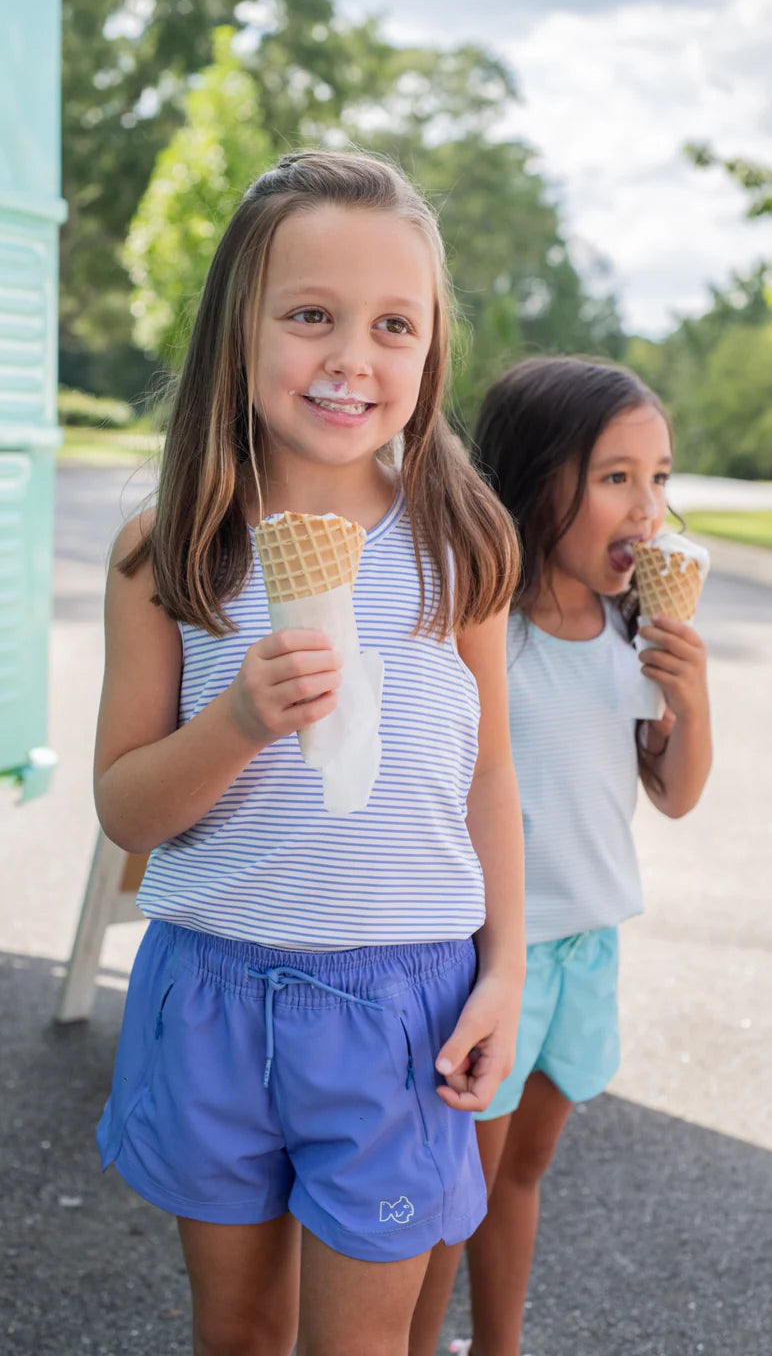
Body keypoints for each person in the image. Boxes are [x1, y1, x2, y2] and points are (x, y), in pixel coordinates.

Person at [93, 149, 526, 1356]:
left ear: (432, 350)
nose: (352, 357)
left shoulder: (463, 544)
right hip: (212, 992)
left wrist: (505, 971)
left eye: (394, 324)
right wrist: (237, 721)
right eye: (310, 316)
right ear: (241, 328)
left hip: (401, 1004)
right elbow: (127, 811)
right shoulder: (165, 551)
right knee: (235, 1331)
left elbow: (488, 776)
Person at [410, 355, 712, 1356]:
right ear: (539, 479)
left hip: (590, 947)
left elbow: (674, 794)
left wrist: (691, 697)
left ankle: (497, 1346)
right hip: (500, 957)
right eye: (616, 476)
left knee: (523, 1172)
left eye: (660, 477)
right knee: (461, 1186)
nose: (649, 506)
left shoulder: (636, 633)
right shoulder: (484, 625)